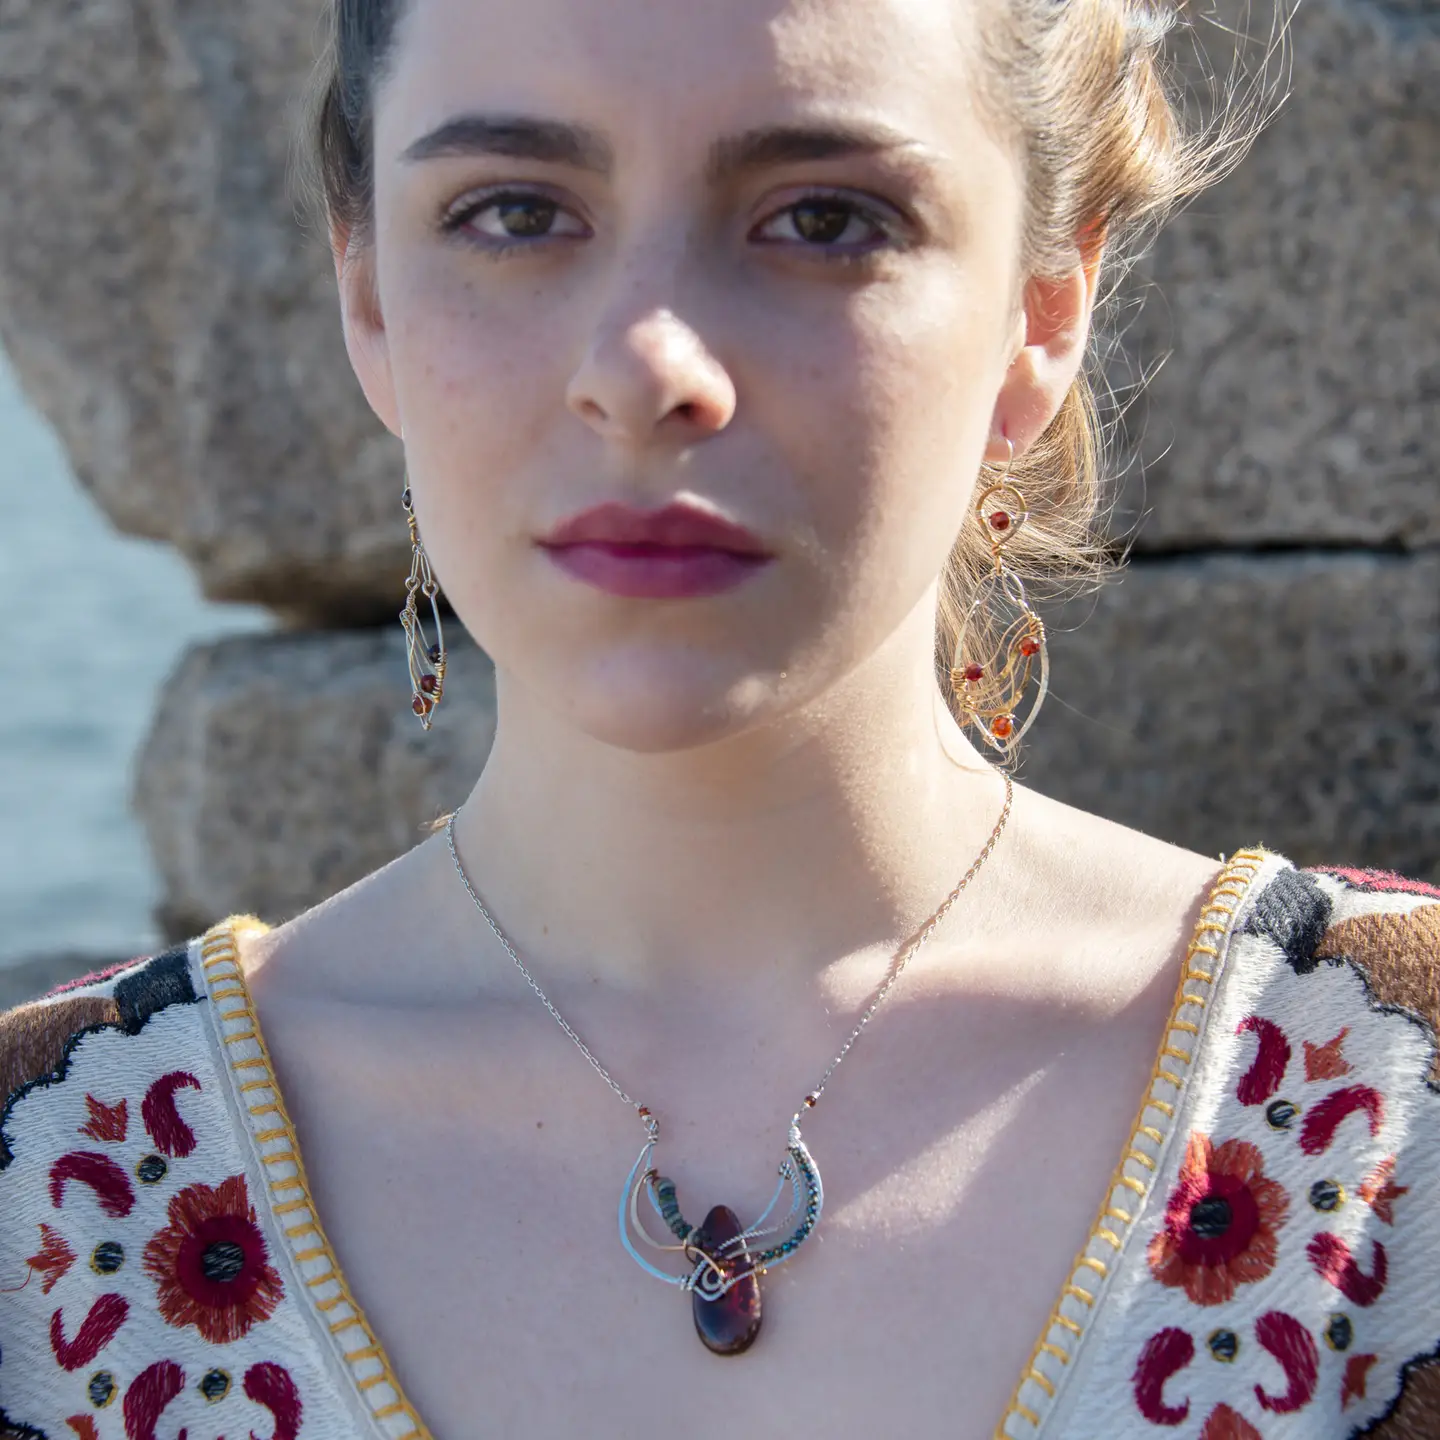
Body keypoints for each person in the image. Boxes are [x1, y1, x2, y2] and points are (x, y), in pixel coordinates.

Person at [2, 0, 1436, 1434]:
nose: (646, 368)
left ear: (1041, 309)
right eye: (513, 212)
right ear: (367, 292)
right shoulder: (48, 1194)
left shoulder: (1391, 1112)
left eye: (822, 219)